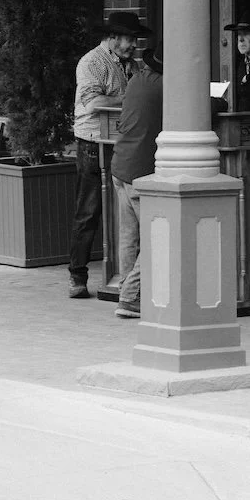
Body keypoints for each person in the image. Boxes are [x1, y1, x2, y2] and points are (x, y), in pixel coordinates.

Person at [67, 10, 143, 298]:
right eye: (129, 39)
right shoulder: (91, 62)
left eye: (135, 39)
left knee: (123, 209)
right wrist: (129, 99)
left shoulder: (133, 65)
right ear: (112, 38)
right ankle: (78, 275)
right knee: (89, 209)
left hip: (123, 142)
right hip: (93, 143)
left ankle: (121, 275)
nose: (133, 45)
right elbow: (94, 102)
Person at [111, 43, 163, 319]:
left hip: (121, 164)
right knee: (158, 235)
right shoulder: (167, 85)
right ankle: (132, 295)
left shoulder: (138, 80)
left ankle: (125, 293)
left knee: (129, 237)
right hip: (142, 170)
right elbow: (206, 105)